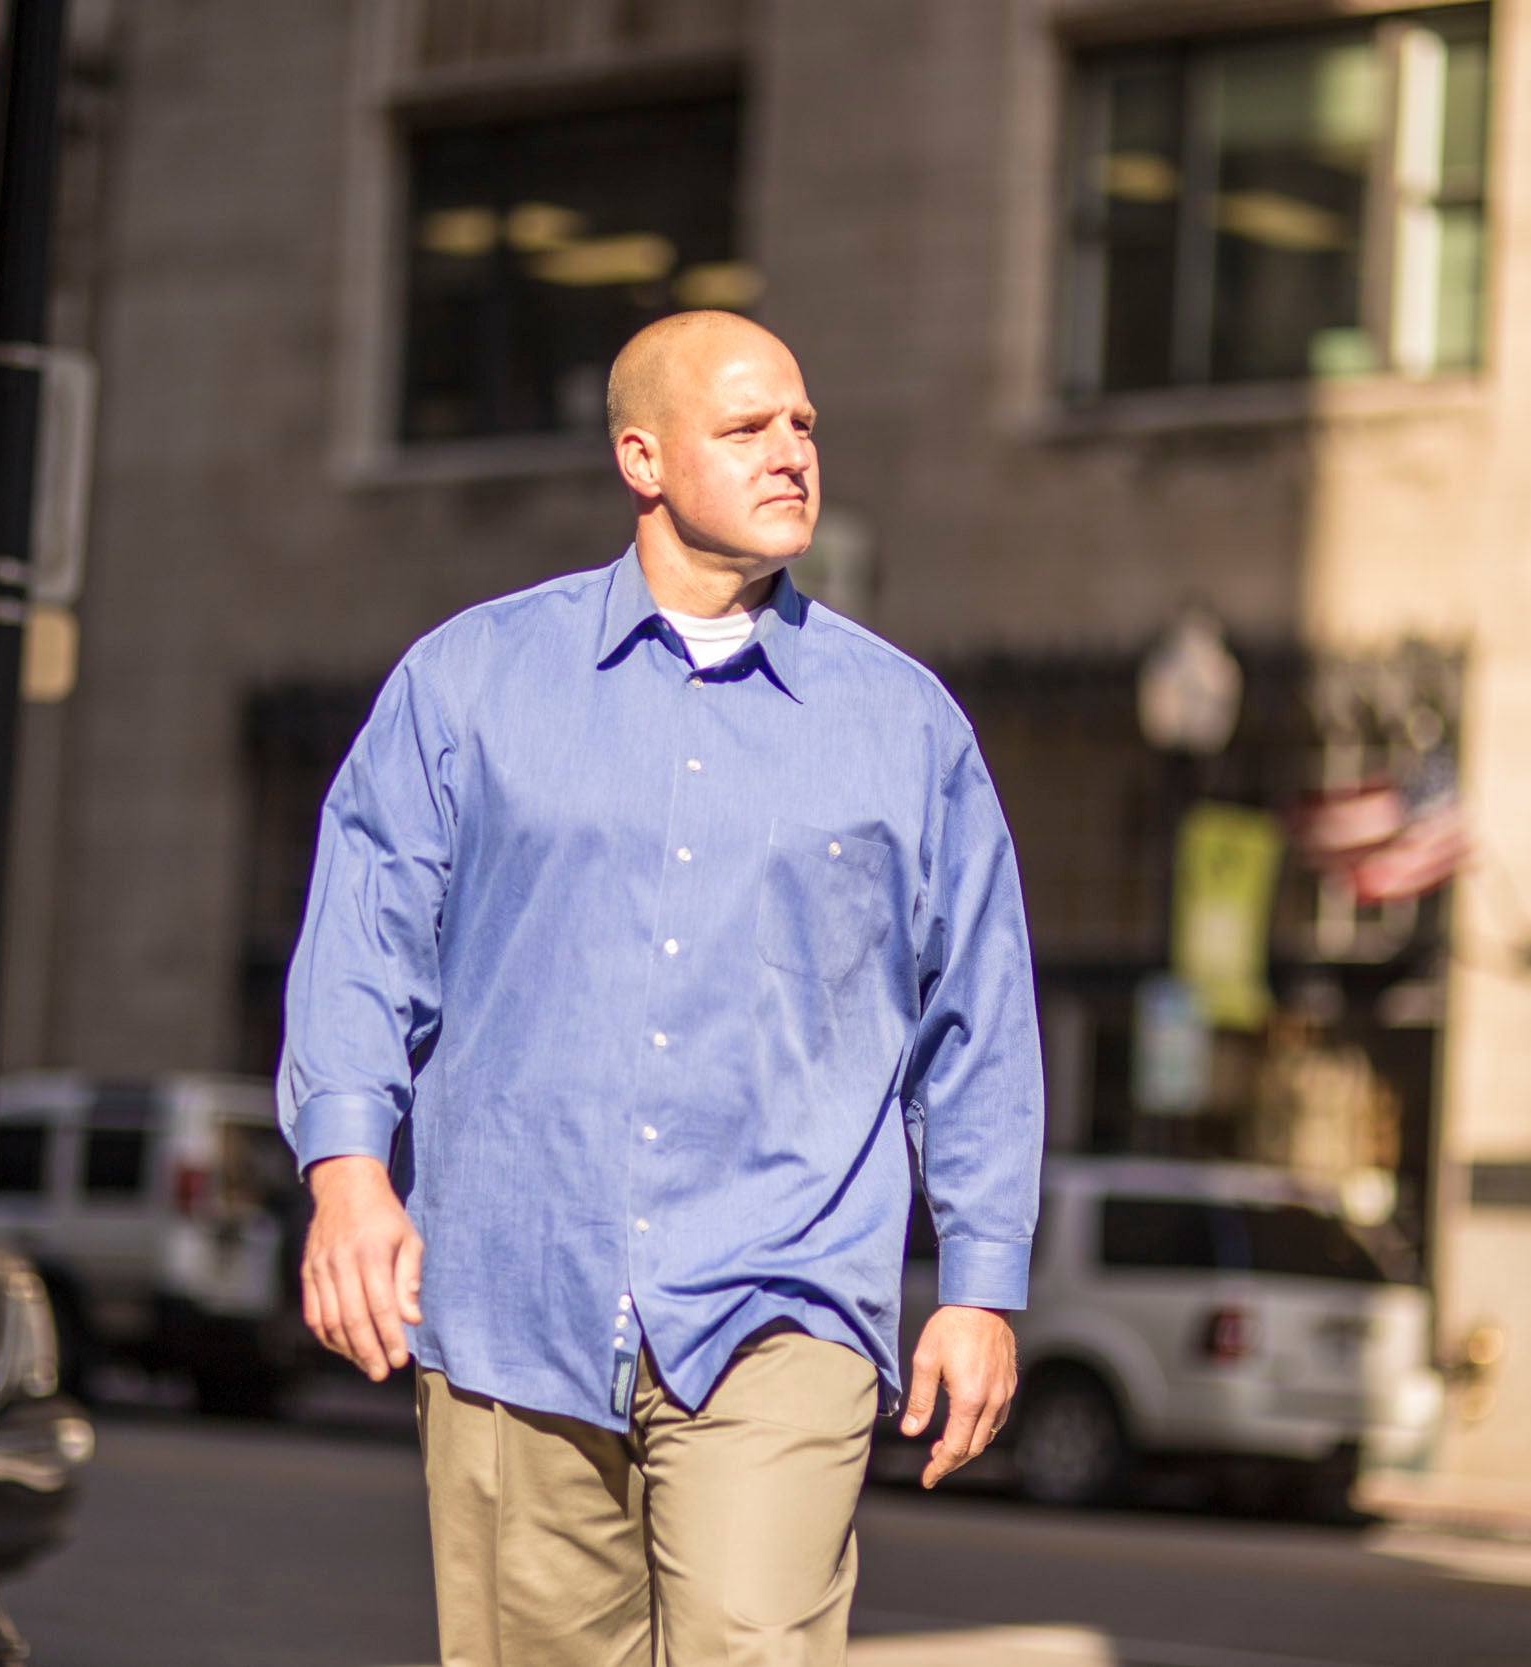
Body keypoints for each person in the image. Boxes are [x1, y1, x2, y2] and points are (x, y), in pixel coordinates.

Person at [280, 310, 1044, 1666]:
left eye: (803, 424)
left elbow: (977, 1020)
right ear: (643, 457)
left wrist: (980, 1286)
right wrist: (349, 1171)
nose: (792, 453)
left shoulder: (904, 726)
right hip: (519, 1292)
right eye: (747, 428)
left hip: (784, 1293)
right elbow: (362, 937)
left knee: (750, 1640)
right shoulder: (471, 683)